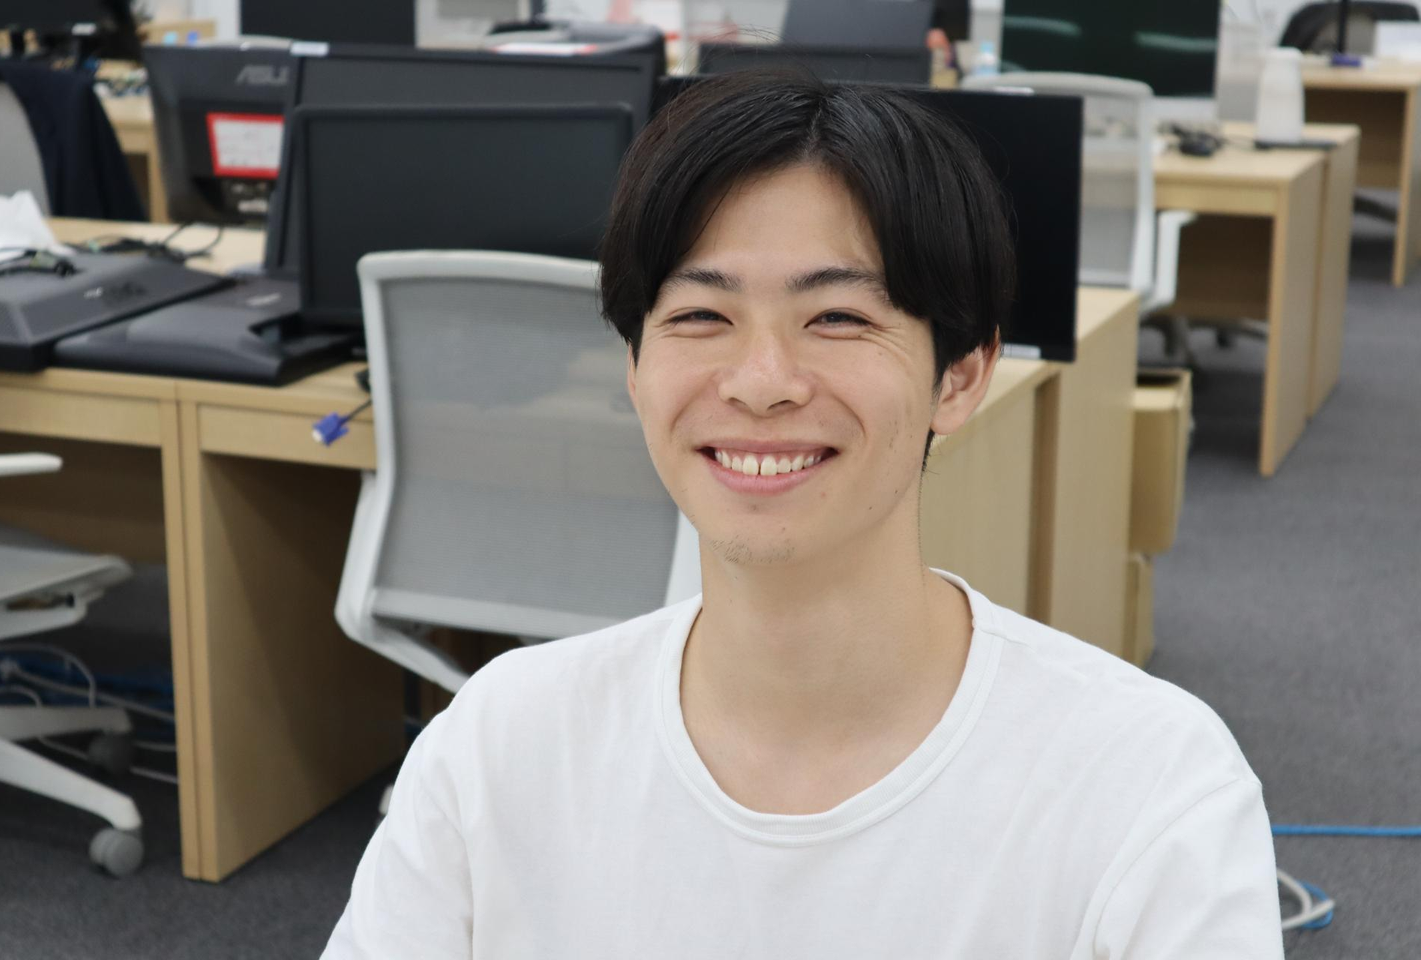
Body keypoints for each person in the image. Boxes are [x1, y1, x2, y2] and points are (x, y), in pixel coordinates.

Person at [322, 71, 1283, 958]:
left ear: (961, 375)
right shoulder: (497, 745)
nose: (762, 382)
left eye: (839, 319)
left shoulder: (1148, 790)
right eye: (701, 316)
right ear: (635, 368)